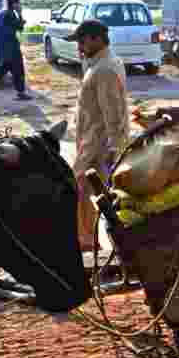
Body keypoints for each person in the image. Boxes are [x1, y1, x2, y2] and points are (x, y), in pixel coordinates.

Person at [68, 19, 130, 251]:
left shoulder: (104, 68)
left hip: (99, 150)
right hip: (91, 145)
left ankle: (88, 247)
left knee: (88, 199)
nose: (79, 48)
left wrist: (114, 151)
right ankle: (90, 243)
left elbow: (113, 114)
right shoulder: (100, 63)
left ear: (97, 39)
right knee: (92, 202)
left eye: (82, 42)